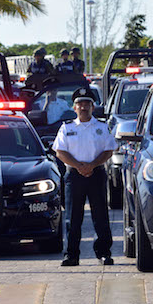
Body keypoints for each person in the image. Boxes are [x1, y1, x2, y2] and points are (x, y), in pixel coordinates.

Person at [54, 87, 117, 266]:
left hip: (96, 174)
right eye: (80, 104)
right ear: (74, 108)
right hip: (74, 176)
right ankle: (71, 255)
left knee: (101, 216)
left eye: (87, 103)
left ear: (93, 106)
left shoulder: (102, 127)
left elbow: (108, 150)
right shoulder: (67, 128)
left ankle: (104, 253)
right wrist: (79, 166)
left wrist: (91, 165)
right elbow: (60, 152)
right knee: (73, 217)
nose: (83, 107)